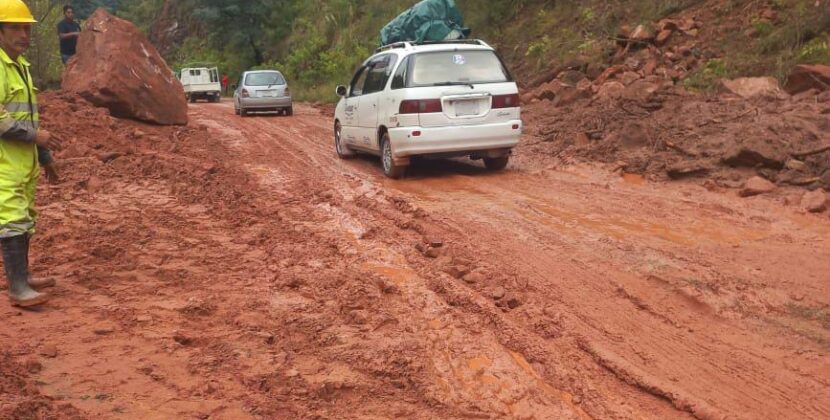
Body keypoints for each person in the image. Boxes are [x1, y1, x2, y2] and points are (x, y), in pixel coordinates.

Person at [0, 0, 63, 307]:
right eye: (15, 27)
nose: (24, 34)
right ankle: (17, 288)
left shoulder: (21, 67)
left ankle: (21, 277)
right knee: (11, 218)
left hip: (23, 160)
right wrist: (36, 136)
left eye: (26, 28)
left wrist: (45, 158)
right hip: (3, 161)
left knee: (24, 218)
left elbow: (27, 117)